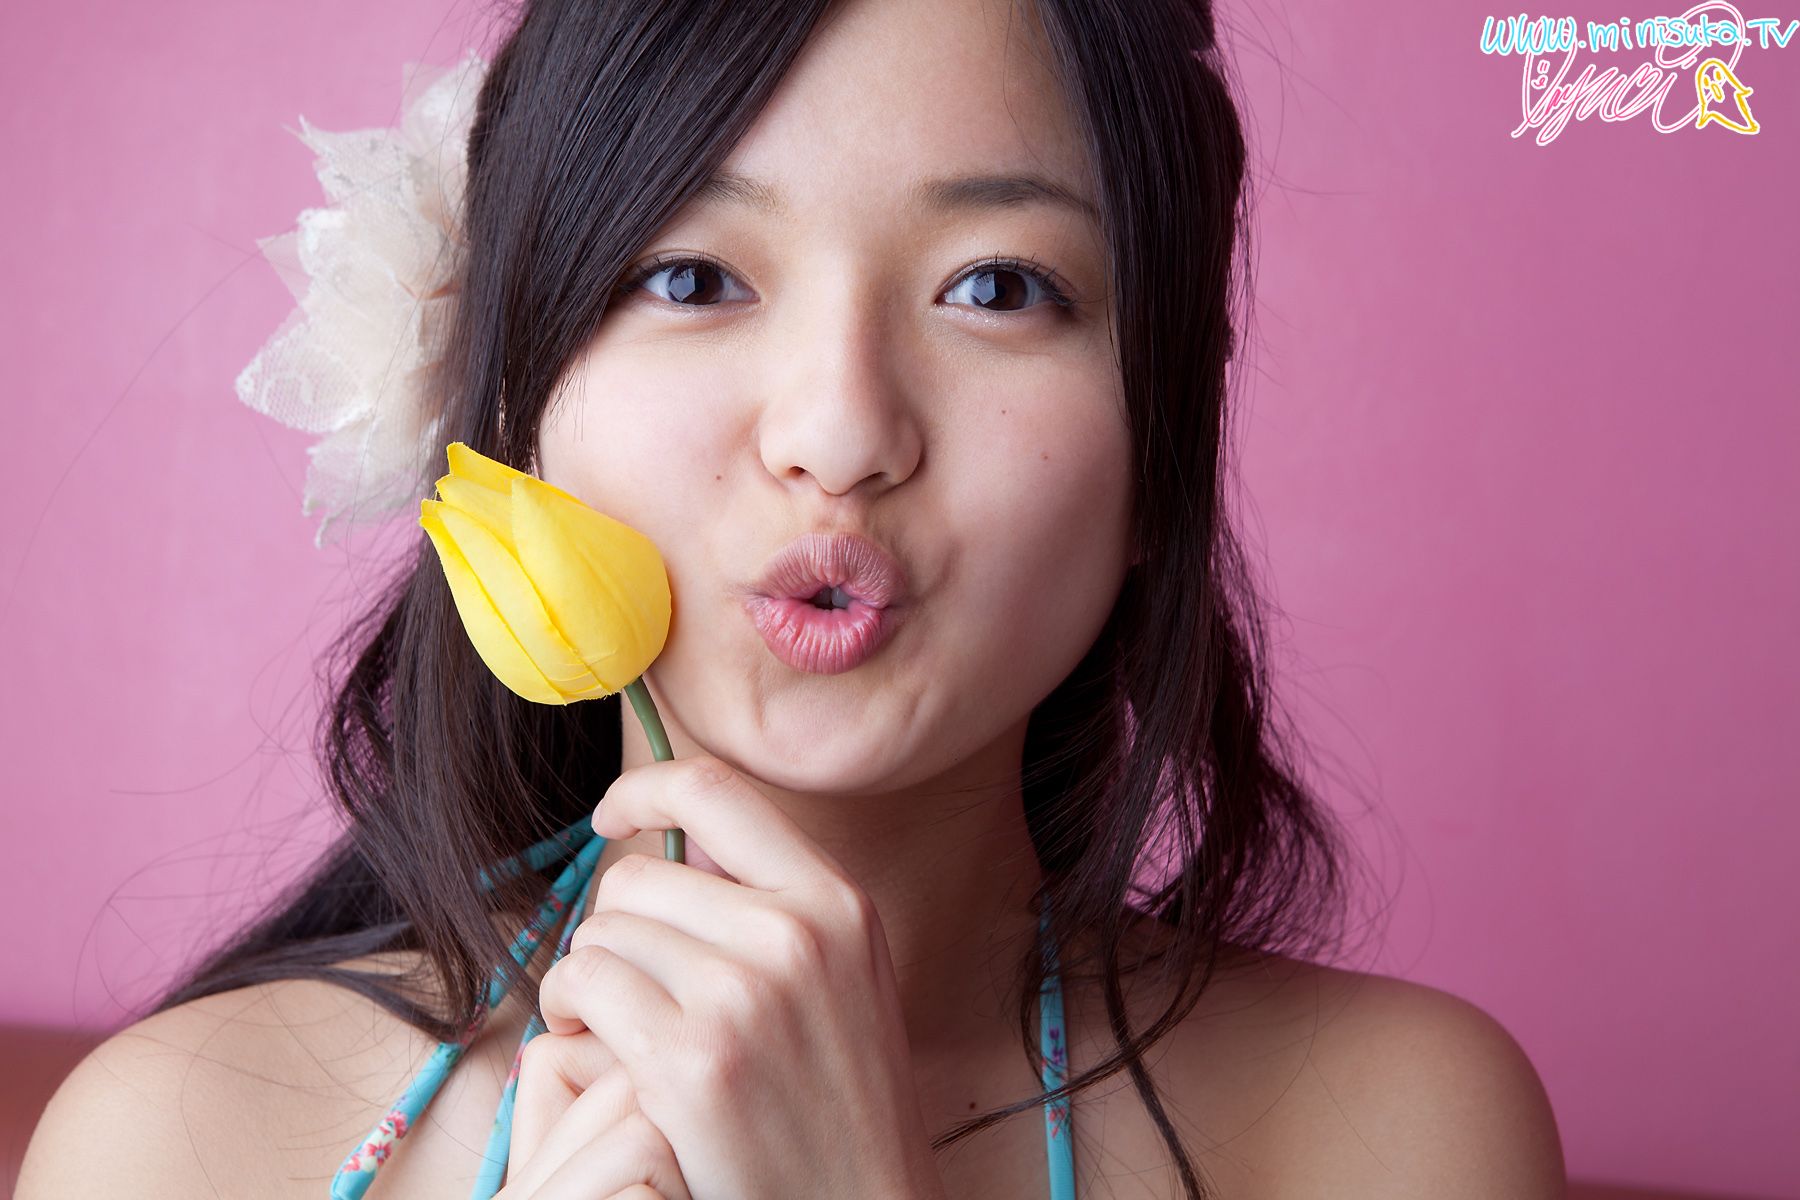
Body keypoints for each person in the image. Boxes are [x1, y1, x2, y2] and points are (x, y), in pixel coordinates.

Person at [19, 0, 1566, 1196]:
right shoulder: (182, 1143)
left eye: (997, 286)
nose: (838, 433)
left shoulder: (1389, 1132)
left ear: (1165, 440)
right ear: (508, 407)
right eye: (694, 278)